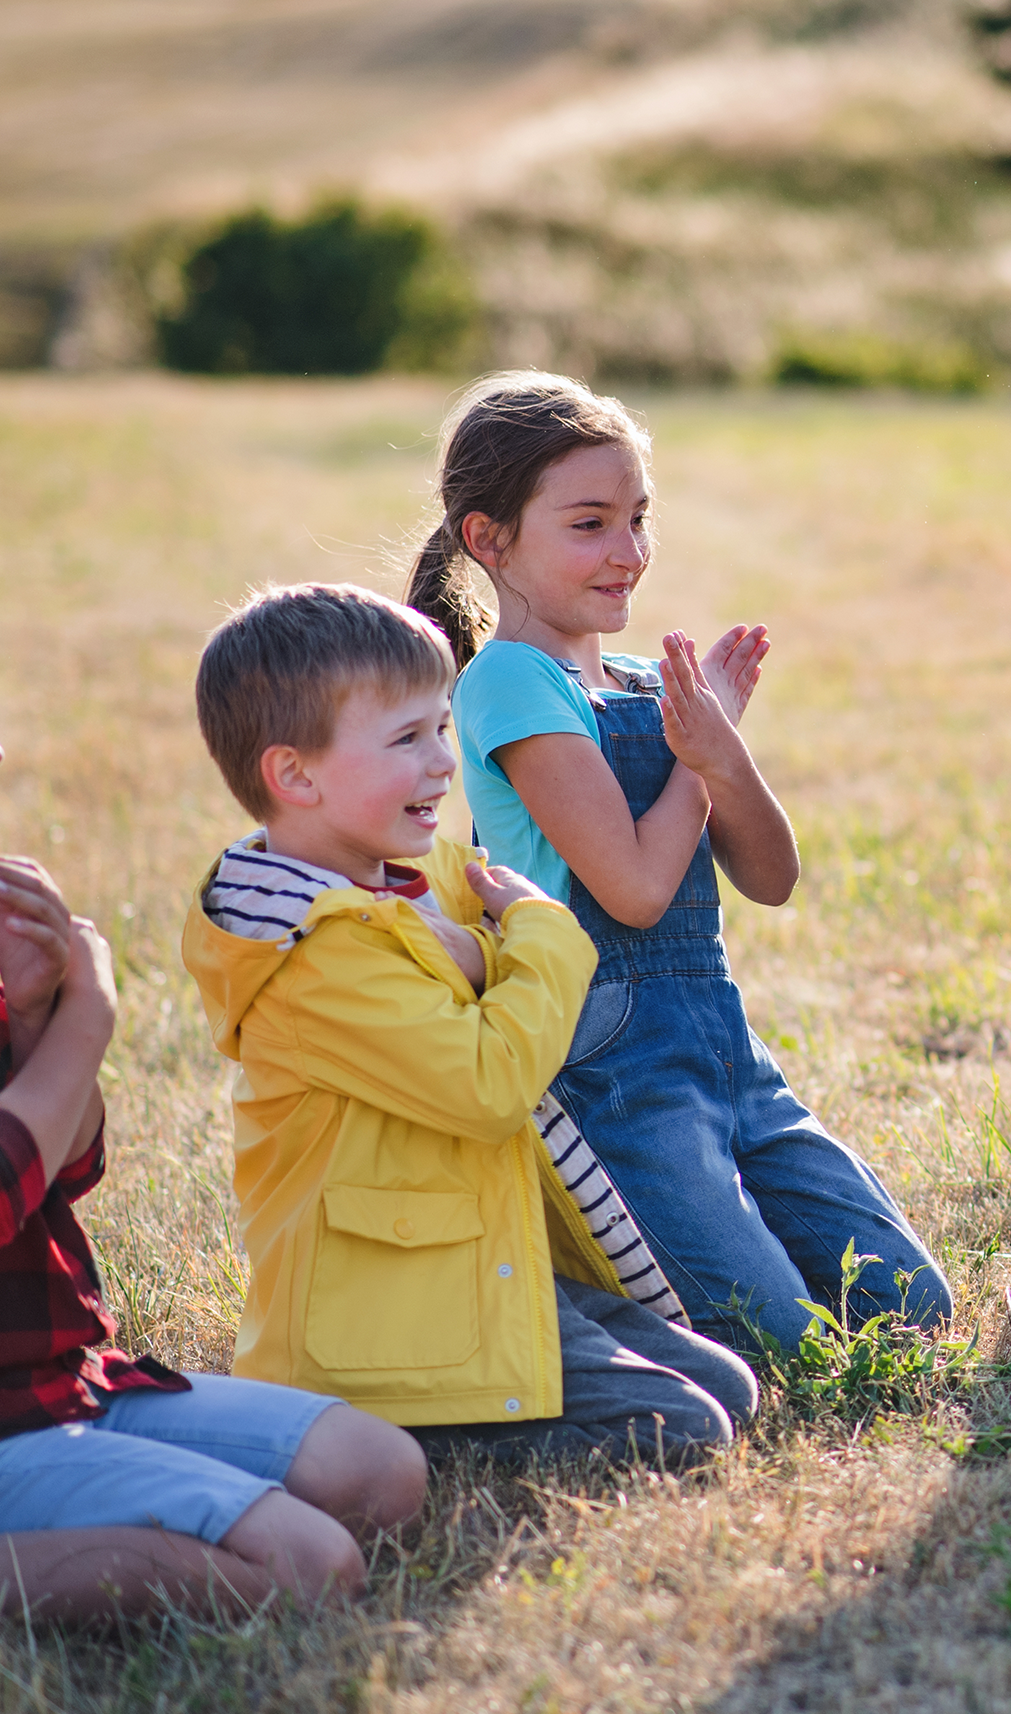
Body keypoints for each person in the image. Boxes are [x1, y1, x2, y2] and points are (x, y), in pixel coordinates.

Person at [406, 372, 953, 1355]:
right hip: (610, 1056)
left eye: (637, 518)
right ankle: (559, 1278)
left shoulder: (636, 681)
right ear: (488, 539)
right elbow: (634, 886)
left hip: (720, 1043)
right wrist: (701, 756)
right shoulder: (505, 680)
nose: (627, 552)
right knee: (784, 1341)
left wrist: (722, 748)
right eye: (588, 523)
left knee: (910, 1309)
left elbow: (770, 876)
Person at [182, 582, 758, 1467]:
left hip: (473, 1262)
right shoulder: (312, 952)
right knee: (685, 1430)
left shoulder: (417, 877)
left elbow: (473, 940)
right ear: (294, 774)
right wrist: (542, 934)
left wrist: (491, 945)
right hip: (382, 1318)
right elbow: (491, 1086)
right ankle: (378, 1436)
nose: (444, 763)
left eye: (441, 728)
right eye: (406, 739)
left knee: (732, 1388)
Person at [0, 609, 426, 1624]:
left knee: (384, 1472)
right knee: (311, 1566)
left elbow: (60, 1171)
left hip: (62, 1375)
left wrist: (31, 1022)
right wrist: (89, 1014)